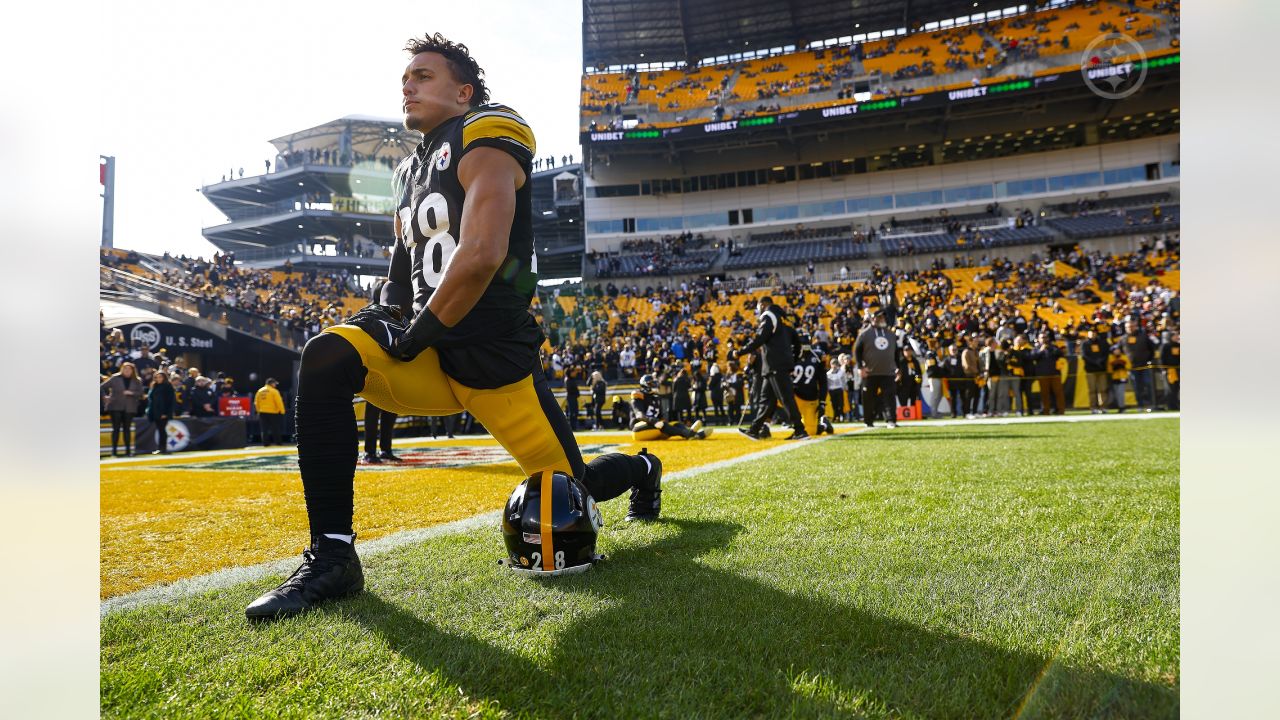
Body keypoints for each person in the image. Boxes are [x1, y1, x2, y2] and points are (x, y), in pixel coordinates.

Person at [247, 33, 662, 620]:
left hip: (494, 363)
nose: (407, 86)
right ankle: (333, 557)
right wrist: (389, 313)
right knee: (326, 357)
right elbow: (402, 263)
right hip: (429, 356)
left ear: (462, 91)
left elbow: (483, 253)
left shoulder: (489, 132)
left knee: (577, 491)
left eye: (422, 75)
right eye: (405, 78)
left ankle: (644, 467)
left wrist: (414, 334)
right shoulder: (408, 171)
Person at [738, 296, 807, 440]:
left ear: (762, 304)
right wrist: (791, 360)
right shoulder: (784, 319)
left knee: (786, 398)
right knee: (766, 400)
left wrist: (740, 352)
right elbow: (797, 342)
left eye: (757, 306)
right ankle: (755, 429)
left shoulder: (769, 316)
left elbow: (759, 338)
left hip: (775, 364)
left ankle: (800, 430)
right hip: (774, 365)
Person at [629, 375, 712, 441]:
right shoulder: (638, 395)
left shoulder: (655, 397)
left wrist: (660, 422)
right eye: (651, 384)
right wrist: (653, 421)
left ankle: (692, 433)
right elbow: (639, 415)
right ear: (645, 385)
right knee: (663, 425)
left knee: (675, 423)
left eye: (654, 383)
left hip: (653, 427)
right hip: (638, 429)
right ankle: (690, 434)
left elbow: (660, 417)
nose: (654, 385)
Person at [854, 310, 898, 428]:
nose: (881, 320)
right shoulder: (864, 334)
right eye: (879, 318)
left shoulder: (891, 334)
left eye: (883, 317)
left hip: (888, 372)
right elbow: (857, 351)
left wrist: (898, 367)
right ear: (873, 319)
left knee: (890, 397)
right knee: (868, 398)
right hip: (870, 372)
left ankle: (891, 420)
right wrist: (860, 367)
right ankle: (868, 421)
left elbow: (896, 352)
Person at [101, 361, 143, 457]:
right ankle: (114, 451)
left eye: (129, 369)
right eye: (125, 368)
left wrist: (132, 393)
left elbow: (141, 393)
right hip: (115, 406)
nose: (127, 370)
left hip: (129, 408)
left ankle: (128, 451)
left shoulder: (137, 380)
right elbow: (102, 387)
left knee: (127, 429)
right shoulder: (115, 378)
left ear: (133, 370)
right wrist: (105, 397)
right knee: (116, 429)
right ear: (122, 369)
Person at [1123, 320, 1157, 412]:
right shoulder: (1124, 338)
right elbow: (1119, 349)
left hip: (1145, 366)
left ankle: (1151, 405)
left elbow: (1152, 348)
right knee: (1137, 387)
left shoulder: (1143, 336)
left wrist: (1149, 359)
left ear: (1136, 326)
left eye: (1132, 326)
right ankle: (1140, 406)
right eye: (1128, 327)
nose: (1130, 328)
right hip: (1132, 368)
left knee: (1147, 385)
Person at [144, 370, 177, 454]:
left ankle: (163, 448)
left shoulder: (168, 386)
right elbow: (151, 400)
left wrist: (165, 413)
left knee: (162, 430)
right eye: (156, 377)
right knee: (159, 429)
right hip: (155, 412)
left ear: (164, 378)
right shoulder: (154, 386)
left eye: (160, 377)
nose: (158, 379)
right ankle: (160, 448)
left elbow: (170, 401)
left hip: (163, 412)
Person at [1081, 329, 1110, 414]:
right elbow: (1084, 356)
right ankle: (1093, 407)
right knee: (1092, 390)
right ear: (1088, 334)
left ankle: (1103, 407)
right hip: (1090, 370)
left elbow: (1106, 353)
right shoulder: (1085, 344)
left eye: (1094, 333)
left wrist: (1101, 361)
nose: (1092, 335)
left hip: (1102, 369)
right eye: (1091, 333)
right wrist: (1095, 362)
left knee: (1103, 389)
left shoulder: (1103, 343)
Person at [255, 378, 287, 446]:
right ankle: (278, 443)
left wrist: (258, 411)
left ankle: (265, 444)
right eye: (274, 383)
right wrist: (282, 411)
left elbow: (256, 403)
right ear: (271, 383)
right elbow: (279, 402)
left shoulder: (259, 391)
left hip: (262, 412)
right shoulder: (274, 391)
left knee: (264, 429)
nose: (275, 385)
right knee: (275, 428)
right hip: (273, 412)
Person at [1108, 345, 1131, 412]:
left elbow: (1129, 366)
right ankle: (1119, 406)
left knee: (1121, 393)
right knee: (1116, 393)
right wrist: (1114, 368)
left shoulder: (1124, 357)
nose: (1117, 351)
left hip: (1122, 377)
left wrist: (1123, 366)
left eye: (1118, 350)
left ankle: (1122, 407)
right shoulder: (1111, 358)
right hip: (1114, 378)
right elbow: (1109, 369)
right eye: (1115, 350)